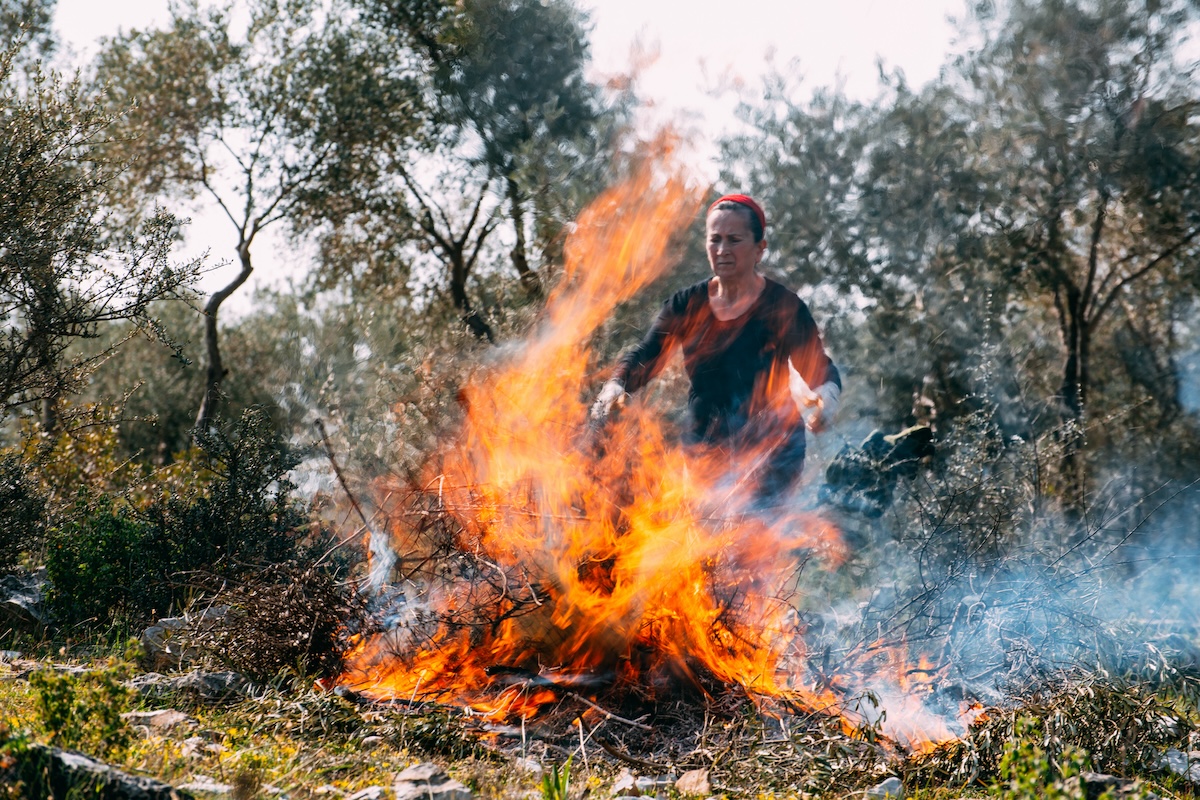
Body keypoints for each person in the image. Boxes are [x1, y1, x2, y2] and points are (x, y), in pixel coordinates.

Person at [591, 194, 841, 505]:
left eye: (734, 240)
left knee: (752, 545)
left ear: (759, 249)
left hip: (772, 452)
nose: (723, 250)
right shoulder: (686, 304)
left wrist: (826, 397)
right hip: (704, 446)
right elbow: (647, 356)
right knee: (704, 545)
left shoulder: (783, 306)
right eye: (715, 240)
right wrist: (616, 385)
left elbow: (817, 365)